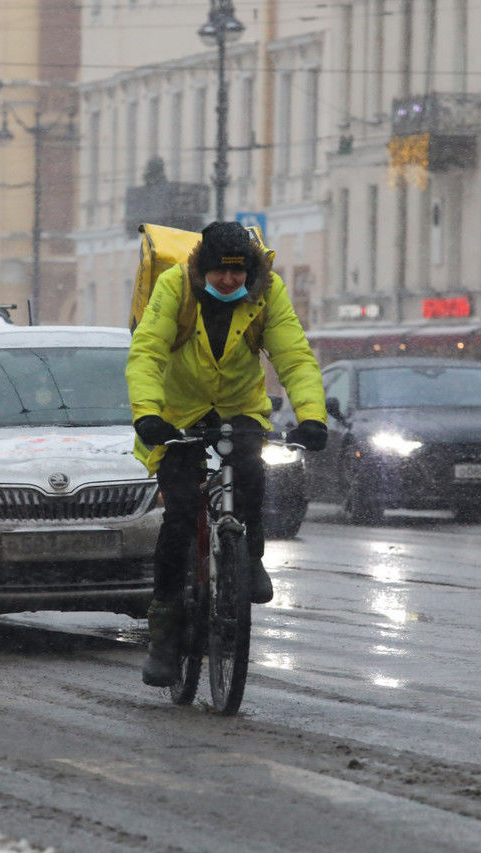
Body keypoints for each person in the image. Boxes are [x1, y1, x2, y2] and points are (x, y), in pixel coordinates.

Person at [127, 221, 328, 687]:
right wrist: (147, 414)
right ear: (202, 267)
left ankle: (248, 558)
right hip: (176, 414)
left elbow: (293, 356)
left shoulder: (266, 291)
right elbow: (148, 351)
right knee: (179, 519)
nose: (229, 282)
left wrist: (312, 416)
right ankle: (164, 638)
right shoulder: (174, 287)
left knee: (252, 475)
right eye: (220, 272)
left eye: (238, 273)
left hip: (240, 408)